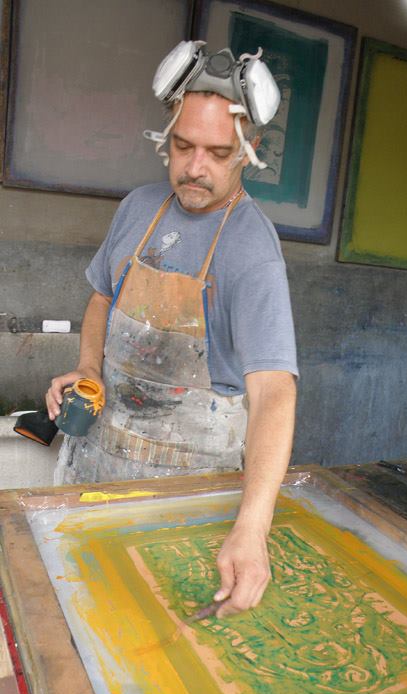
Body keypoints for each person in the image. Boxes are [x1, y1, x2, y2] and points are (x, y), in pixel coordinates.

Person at [46, 41, 298, 617]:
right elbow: (101, 297)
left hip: (185, 498)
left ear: (250, 151)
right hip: (95, 466)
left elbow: (274, 391)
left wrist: (252, 528)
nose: (195, 167)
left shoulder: (251, 250)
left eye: (218, 152)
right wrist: (87, 368)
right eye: (183, 146)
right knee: (76, 610)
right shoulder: (139, 207)